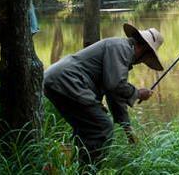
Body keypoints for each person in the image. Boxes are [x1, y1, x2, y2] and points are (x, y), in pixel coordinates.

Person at [43, 23, 164, 167]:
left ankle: (71, 165)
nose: (141, 62)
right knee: (102, 126)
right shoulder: (121, 48)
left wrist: (128, 130)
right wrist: (138, 93)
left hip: (57, 80)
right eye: (145, 58)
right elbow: (115, 85)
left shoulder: (121, 50)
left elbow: (113, 94)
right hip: (68, 81)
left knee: (86, 127)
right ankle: (89, 170)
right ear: (144, 49)